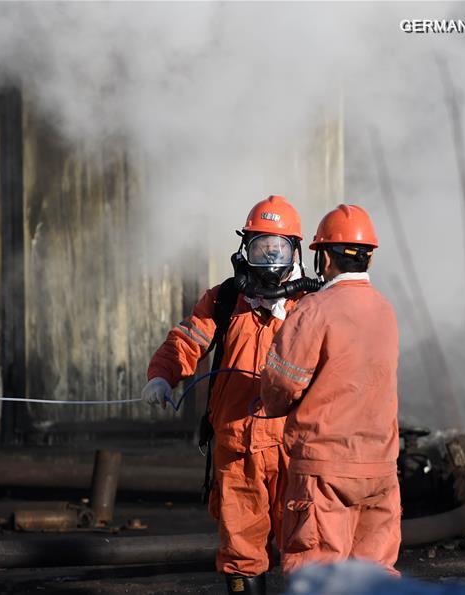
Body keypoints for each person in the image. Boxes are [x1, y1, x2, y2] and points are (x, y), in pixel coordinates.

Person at [143, 195, 316, 595]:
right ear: (245, 250)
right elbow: (185, 341)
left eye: (279, 249)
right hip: (237, 450)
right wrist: (162, 376)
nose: (270, 259)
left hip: (295, 448)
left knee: (305, 545)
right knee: (241, 550)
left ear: (296, 250)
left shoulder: (311, 306)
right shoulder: (224, 301)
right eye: (261, 249)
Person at [259, 203, 401, 576]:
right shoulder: (385, 310)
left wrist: (269, 404)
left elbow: (280, 385)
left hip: (325, 473)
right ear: (368, 258)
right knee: (374, 579)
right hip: (380, 471)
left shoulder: (314, 310)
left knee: (319, 578)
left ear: (323, 259)